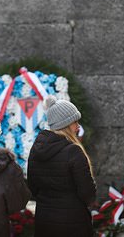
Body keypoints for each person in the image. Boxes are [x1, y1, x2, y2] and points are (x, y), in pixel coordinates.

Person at [27, 95, 97, 237]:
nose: (78, 127)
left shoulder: (35, 150)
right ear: (66, 124)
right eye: (75, 122)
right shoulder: (74, 151)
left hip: (44, 220)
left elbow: (33, 188)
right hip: (73, 222)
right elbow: (88, 193)